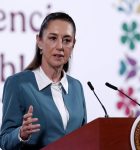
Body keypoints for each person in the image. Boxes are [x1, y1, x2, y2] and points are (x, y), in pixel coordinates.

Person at [0, 12, 87, 150]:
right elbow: (4, 140)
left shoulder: (76, 87)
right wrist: (21, 134)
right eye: (53, 38)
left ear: (73, 44)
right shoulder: (17, 84)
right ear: (39, 41)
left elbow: (85, 138)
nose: (60, 46)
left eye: (67, 40)